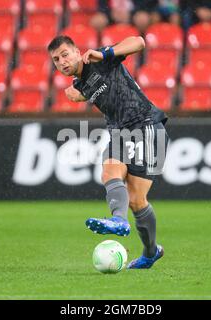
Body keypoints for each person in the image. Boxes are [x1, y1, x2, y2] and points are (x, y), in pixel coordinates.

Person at [48, 35, 169, 269]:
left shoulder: (98, 59)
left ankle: (134, 236)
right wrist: (80, 94)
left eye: (65, 54)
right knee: (122, 185)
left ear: (76, 51)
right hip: (121, 132)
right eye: (56, 60)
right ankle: (135, 237)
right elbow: (97, 87)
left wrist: (105, 53)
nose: (62, 61)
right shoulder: (80, 82)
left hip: (146, 125)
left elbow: (139, 42)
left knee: (127, 190)